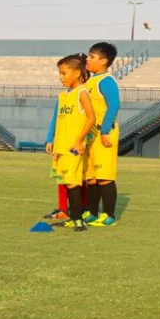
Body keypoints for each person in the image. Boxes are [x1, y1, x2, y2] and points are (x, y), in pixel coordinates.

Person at [45, 53, 96, 232]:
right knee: (66, 182)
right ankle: (71, 217)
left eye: (64, 73)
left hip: (73, 148)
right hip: (61, 147)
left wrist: (80, 140)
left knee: (73, 183)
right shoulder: (63, 95)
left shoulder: (82, 92)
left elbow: (91, 118)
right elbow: (60, 121)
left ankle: (78, 220)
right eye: (59, 73)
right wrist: (53, 142)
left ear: (76, 73)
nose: (61, 77)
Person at [83, 42, 121, 227]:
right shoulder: (89, 81)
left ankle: (109, 215)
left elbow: (113, 105)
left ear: (104, 61)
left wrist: (104, 131)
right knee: (91, 177)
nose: (87, 60)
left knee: (104, 176)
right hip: (90, 136)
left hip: (103, 133)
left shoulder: (106, 81)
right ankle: (91, 212)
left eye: (92, 57)